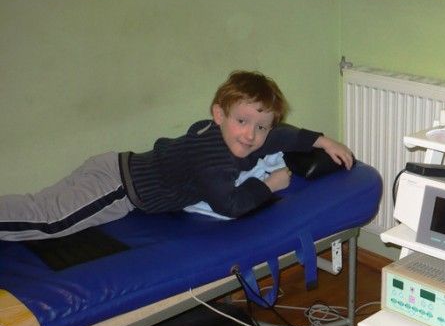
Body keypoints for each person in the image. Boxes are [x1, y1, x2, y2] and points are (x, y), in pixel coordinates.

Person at [0, 70, 354, 241]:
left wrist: (322, 141)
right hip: (117, 187)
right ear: (219, 114)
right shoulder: (211, 155)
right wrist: (270, 184)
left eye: (260, 127)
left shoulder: (234, 135)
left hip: (116, 169)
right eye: (242, 121)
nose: (251, 135)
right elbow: (230, 205)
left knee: (41, 205)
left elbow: (281, 135)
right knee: (49, 221)